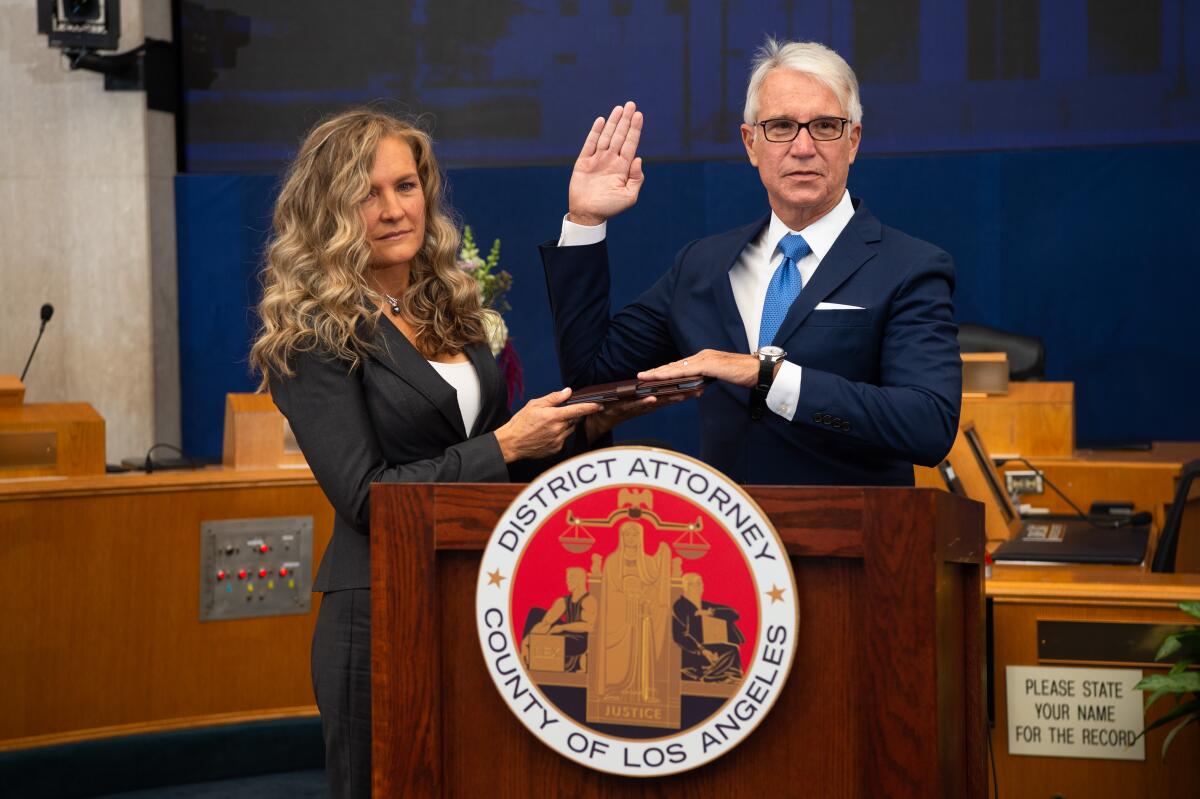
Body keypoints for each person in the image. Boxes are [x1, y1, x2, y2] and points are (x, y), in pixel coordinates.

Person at [250, 108, 668, 799]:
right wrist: (504, 442)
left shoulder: (456, 311)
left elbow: (503, 468)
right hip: (378, 610)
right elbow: (367, 496)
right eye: (366, 192)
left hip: (485, 594)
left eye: (406, 186)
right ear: (327, 211)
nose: (391, 209)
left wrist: (586, 427)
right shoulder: (311, 335)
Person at [539, 40, 962, 485]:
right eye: (780, 126)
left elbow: (928, 426)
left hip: (852, 540)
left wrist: (767, 376)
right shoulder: (701, 265)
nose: (803, 147)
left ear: (852, 141)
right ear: (751, 143)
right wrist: (586, 221)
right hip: (725, 543)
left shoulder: (909, 267)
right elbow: (590, 376)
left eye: (824, 126)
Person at [671, 573, 745, 683]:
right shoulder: (680, 606)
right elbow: (680, 636)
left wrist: (709, 612)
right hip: (691, 648)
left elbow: (734, 614)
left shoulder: (704, 605)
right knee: (731, 650)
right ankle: (711, 676)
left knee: (732, 648)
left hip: (709, 643)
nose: (696, 587)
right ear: (684, 587)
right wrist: (702, 650)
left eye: (699, 583)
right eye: (691, 584)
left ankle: (728, 676)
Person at [521, 566, 596, 672]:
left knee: (546, 642)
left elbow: (588, 626)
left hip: (580, 641)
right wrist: (527, 640)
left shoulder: (588, 601)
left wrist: (562, 627)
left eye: (570, 579)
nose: (567, 582)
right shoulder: (563, 601)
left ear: (579, 580)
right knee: (536, 613)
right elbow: (546, 622)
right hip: (565, 635)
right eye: (567, 579)